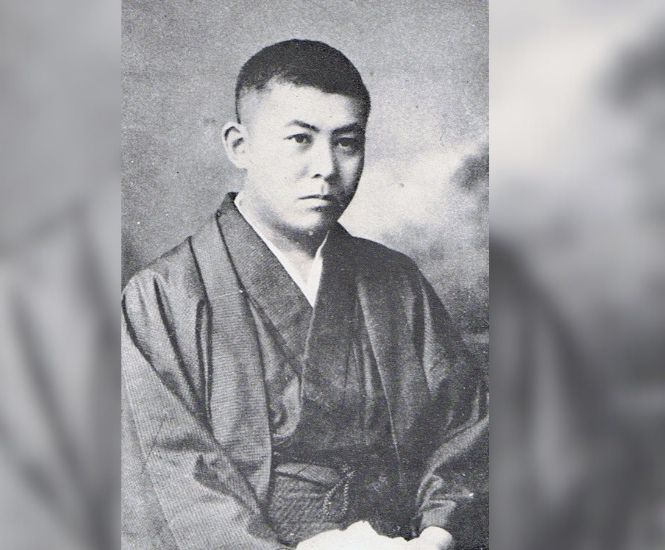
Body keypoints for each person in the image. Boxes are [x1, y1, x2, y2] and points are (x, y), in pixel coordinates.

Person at [121, 39, 488, 549]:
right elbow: (169, 478)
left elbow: (464, 433)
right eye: (300, 139)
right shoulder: (161, 298)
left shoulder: (396, 283)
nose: (327, 168)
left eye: (347, 142)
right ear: (239, 145)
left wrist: (436, 536)